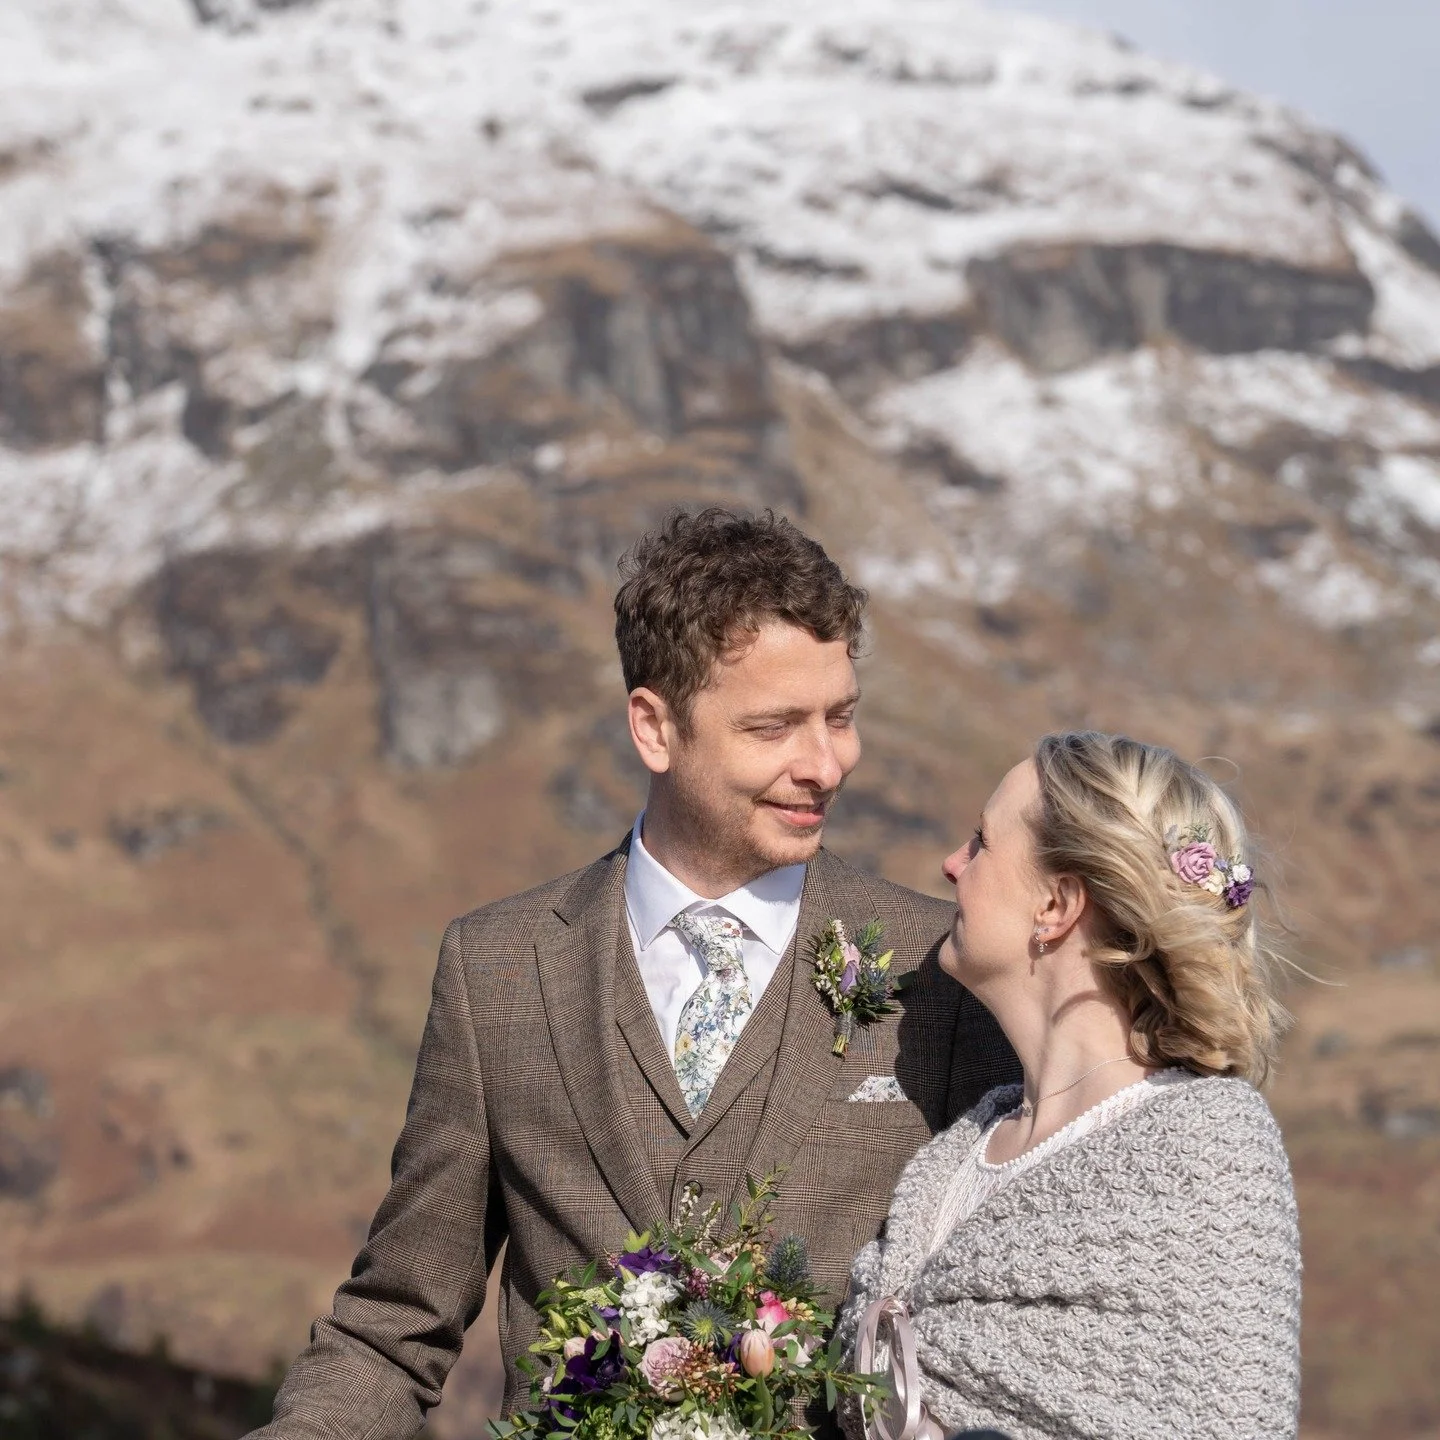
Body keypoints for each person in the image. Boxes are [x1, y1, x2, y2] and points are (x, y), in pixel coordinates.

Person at [249, 508, 1017, 1438]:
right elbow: (393, 1328)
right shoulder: (497, 970)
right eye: (775, 727)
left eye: (841, 717)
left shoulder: (945, 973)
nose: (827, 764)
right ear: (655, 728)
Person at [841, 732, 1302, 1440]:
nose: (951, 865)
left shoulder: (1207, 1146)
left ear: (1055, 904)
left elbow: (1232, 1418)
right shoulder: (961, 1150)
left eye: (980, 843)